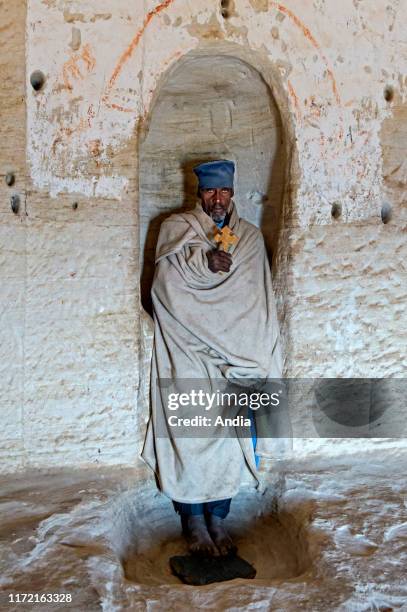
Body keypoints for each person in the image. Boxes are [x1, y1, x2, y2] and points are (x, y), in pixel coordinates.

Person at [142, 160, 283, 556]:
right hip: (185, 351)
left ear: (233, 193)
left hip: (232, 355)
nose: (217, 200)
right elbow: (164, 293)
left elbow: (256, 305)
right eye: (209, 192)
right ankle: (192, 523)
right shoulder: (176, 230)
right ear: (198, 193)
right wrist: (202, 264)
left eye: (223, 192)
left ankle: (217, 518)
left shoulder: (250, 239)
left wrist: (242, 350)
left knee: (226, 438)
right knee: (188, 432)